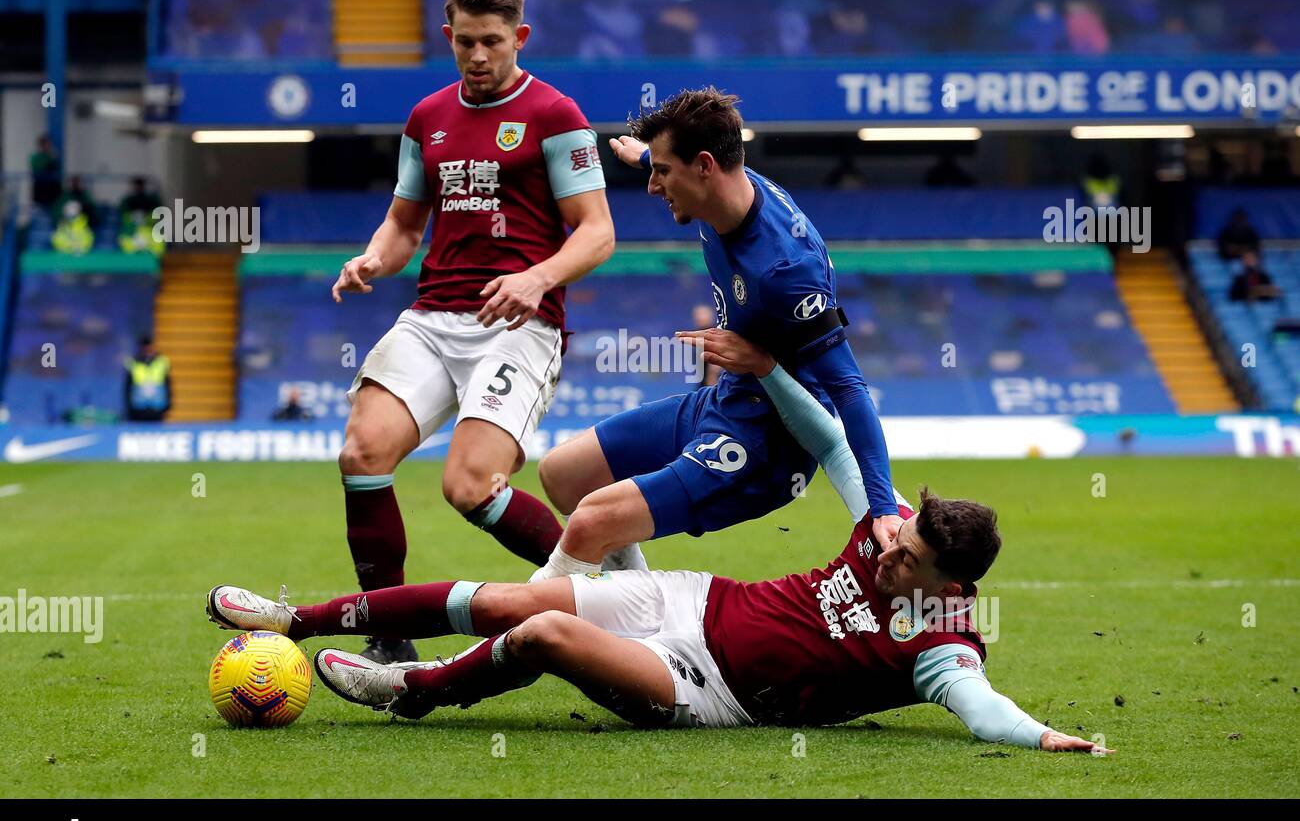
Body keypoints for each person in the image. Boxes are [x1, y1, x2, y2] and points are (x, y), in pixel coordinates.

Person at [206, 328, 1111, 754]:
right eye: (898, 537)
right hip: (695, 599)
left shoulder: (942, 645)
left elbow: (982, 710)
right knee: (506, 598)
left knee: (546, 634)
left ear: (951, 587)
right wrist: (767, 369)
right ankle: (299, 617)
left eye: (908, 561)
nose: (886, 554)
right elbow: (836, 439)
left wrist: (1042, 736)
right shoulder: (882, 528)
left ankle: (412, 692)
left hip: (705, 688)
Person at [328, 0, 615, 664]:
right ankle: (389, 635)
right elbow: (403, 224)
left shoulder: (555, 115)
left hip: (521, 324)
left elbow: (598, 231)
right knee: (361, 454)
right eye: (465, 42)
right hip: (433, 317)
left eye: (493, 42)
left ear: (520, 38)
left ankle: (594, 595)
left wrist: (537, 277)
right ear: (447, 36)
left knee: (468, 485)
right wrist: (371, 259)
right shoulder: (427, 118)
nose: (479, 55)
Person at [531, 87, 901, 588]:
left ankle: (517, 635)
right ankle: (641, 618)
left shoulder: (787, 269)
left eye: (662, 173)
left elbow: (849, 390)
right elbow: (685, 165)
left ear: (704, 166)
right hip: (724, 400)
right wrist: (644, 155)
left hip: (768, 444)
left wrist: (881, 507)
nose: (652, 186)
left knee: (592, 520)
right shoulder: (725, 187)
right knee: (563, 475)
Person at [124, 336, 171, 422]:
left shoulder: (161, 362)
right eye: (145, 348)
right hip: (138, 407)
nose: (148, 350)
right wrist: (129, 406)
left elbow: (167, 384)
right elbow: (128, 387)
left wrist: (168, 404)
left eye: (149, 347)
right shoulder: (133, 363)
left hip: (158, 406)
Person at [50, 176, 98, 255]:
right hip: (64, 257)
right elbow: (57, 240)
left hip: (81, 256)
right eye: (73, 182)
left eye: (77, 182)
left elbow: (94, 215)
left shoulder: (85, 197)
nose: (75, 184)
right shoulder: (64, 197)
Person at [117, 177, 164, 255]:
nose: (138, 188)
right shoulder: (128, 200)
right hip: (132, 234)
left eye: (140, 186)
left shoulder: (151, 200)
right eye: (136, 186)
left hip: (150, 260)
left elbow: (158, 253)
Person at [30, 135, 62, 212]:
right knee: (40, 210)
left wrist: (53, 158)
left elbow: (57, 168)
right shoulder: (36, 157)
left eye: (48, 144)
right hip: (41, 188)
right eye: (45, 144)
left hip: (53, 189)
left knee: (54, 209)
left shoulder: (53, 156)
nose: (47, 146)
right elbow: (38, 168)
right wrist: (50, 159)